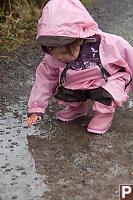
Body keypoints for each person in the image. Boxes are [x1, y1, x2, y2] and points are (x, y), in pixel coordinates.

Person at [27, 0, 133, 134]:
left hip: (108, 79)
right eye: (56, 55)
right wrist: (36, 108)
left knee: (107, 93)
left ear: (79, 39)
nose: (60, 58)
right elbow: (44, 80)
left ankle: (104, 114)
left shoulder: (108, 44)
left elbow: (130, 59)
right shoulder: (52, 58)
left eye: (65, 53)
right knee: (63, 87)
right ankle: (76, 108)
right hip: (79, 82)